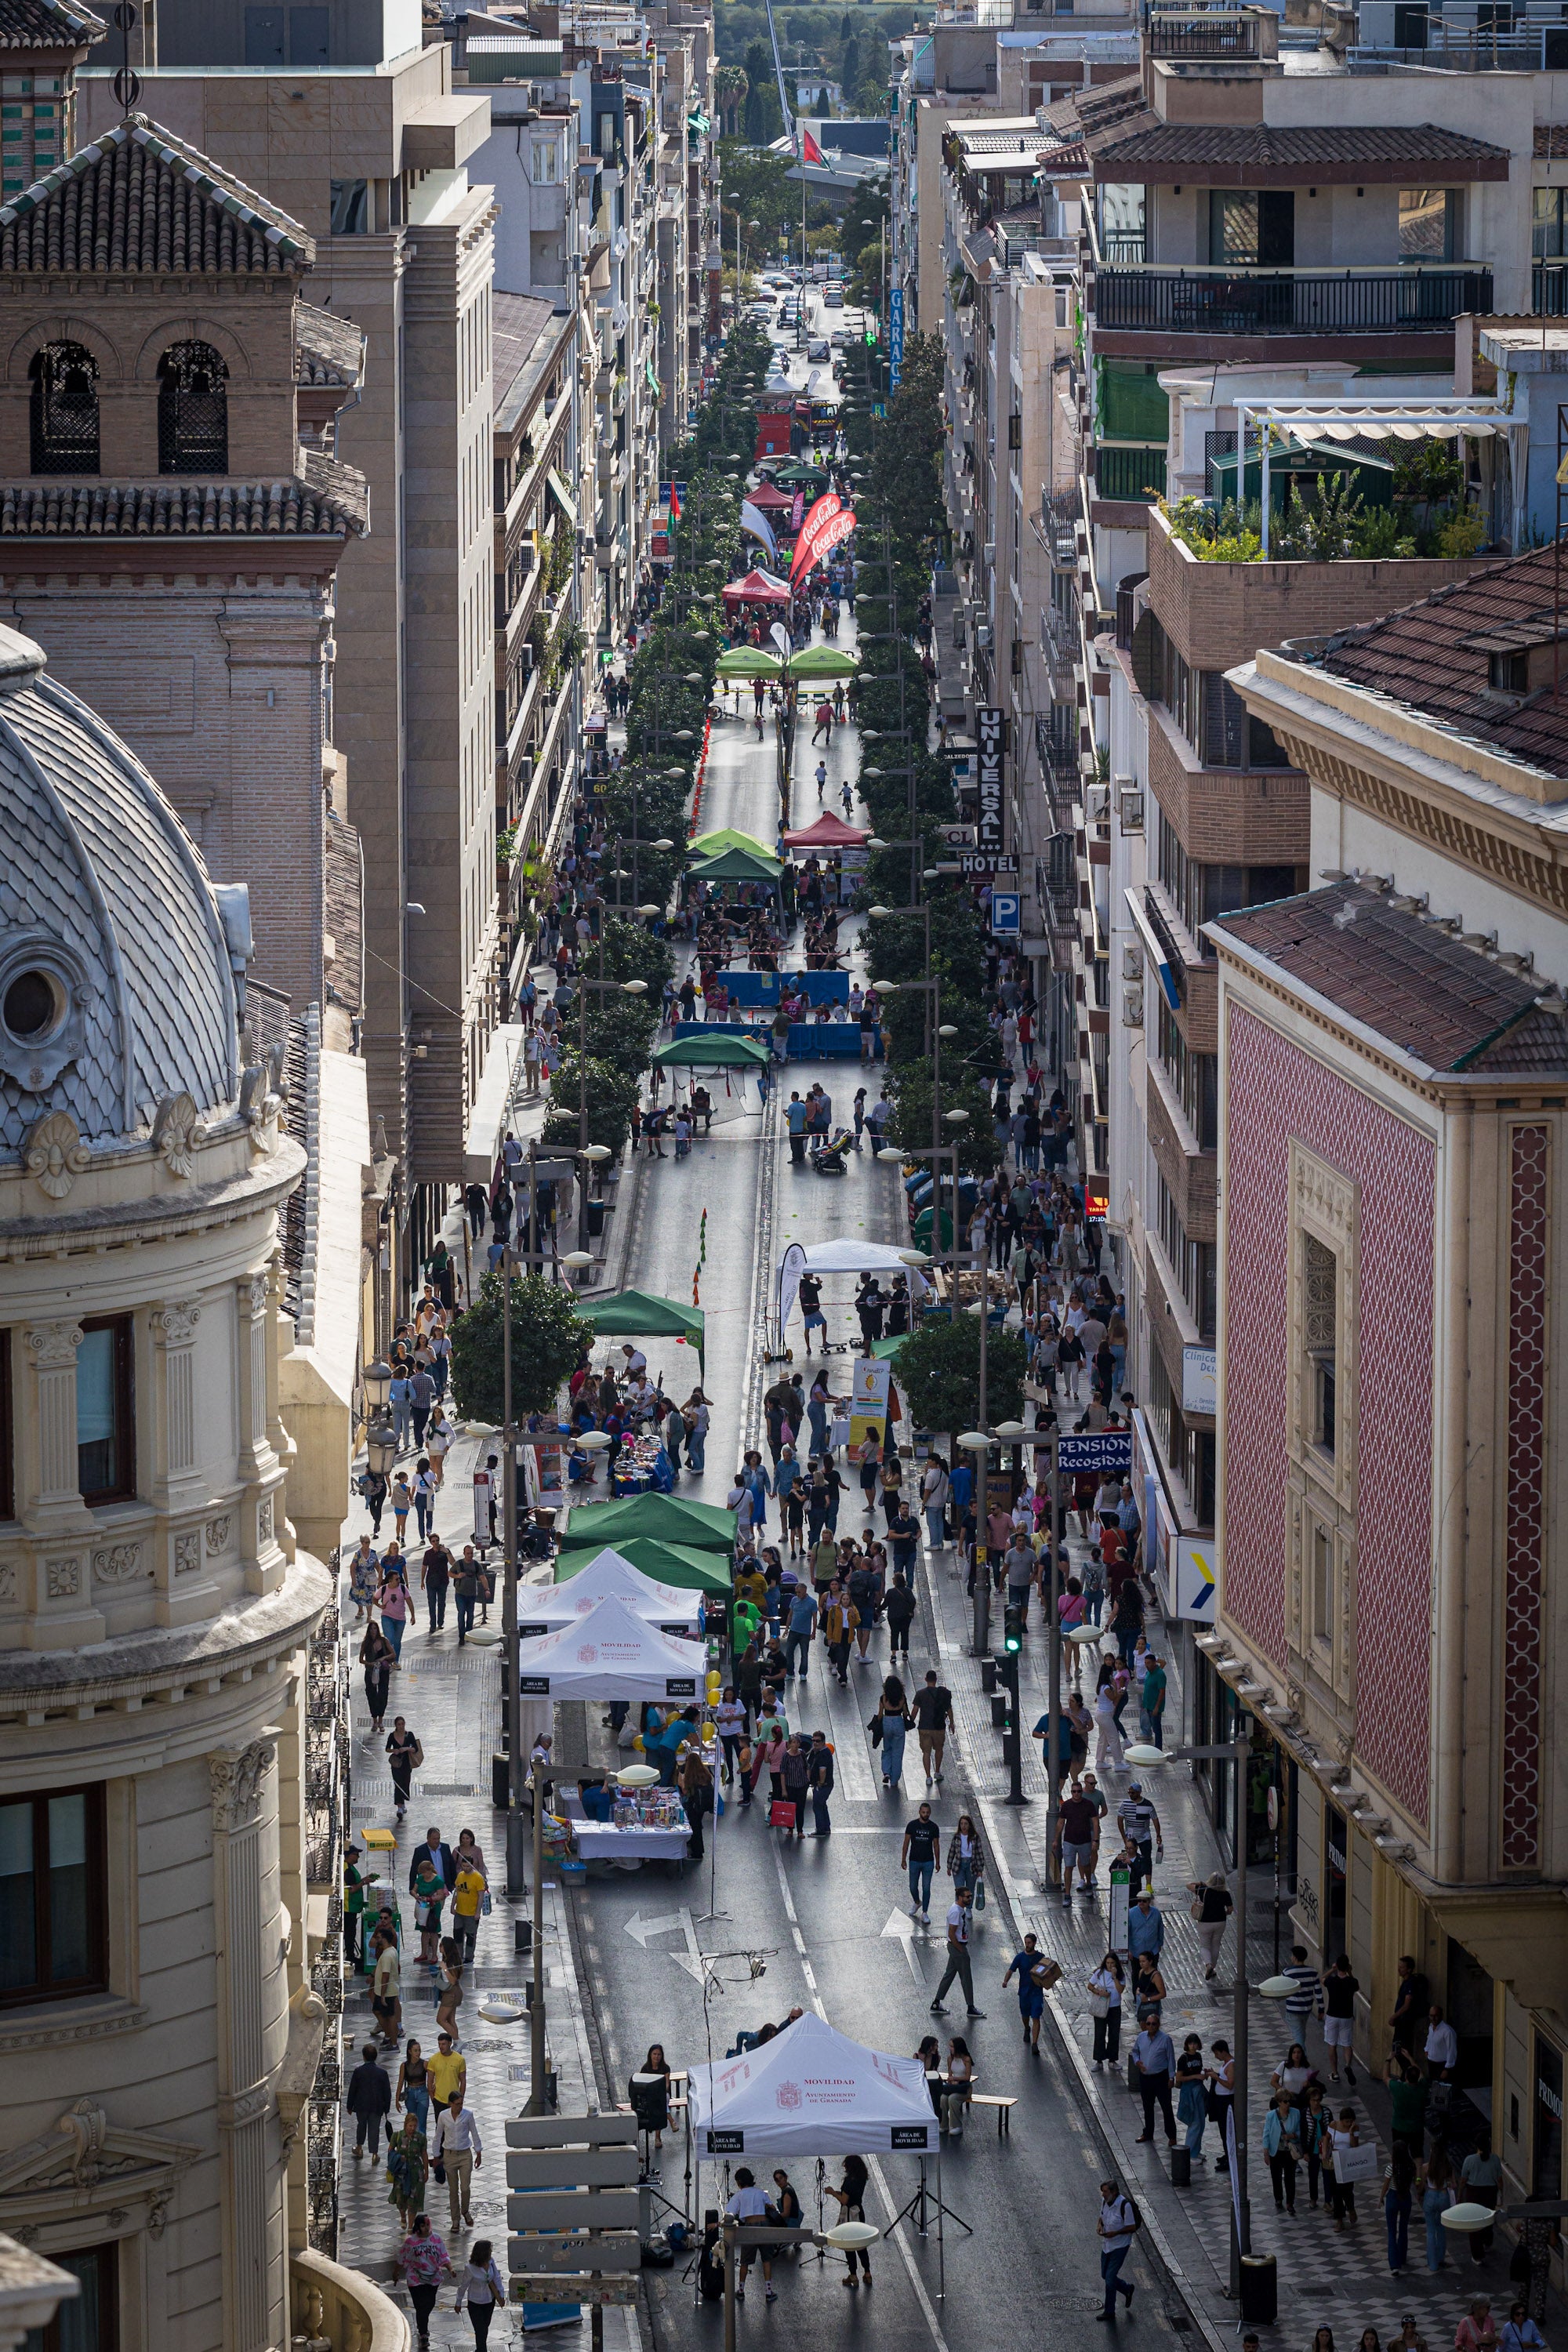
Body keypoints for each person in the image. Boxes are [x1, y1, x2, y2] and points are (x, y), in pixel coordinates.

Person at [396, 2212, 452, 2350]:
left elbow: (444, 2256)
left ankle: (422, 2326)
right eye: (423, 2225)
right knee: (420, 2306)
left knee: (430, 2303)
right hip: (415, 2279)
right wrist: (395, 2272)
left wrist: (450, 2269)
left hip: (433, 2278)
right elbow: (402, 2258)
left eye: (428, 2225)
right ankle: (423, 2334)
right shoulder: (411, 2242)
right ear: (418, 2227)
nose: (426, 2228)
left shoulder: (437, 2239)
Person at [930, 1884, 984, 2017]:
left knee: (949, 1975)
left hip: (957, 1946)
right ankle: (970, 2007)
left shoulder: (960, 1909)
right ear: (960, 1898)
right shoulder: (955, 1911)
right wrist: (960, 1949)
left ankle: (936, 2003)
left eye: (970, 1896)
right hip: (957, 1947)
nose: (970, 1898)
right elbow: (952, 1932)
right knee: (966, 1978)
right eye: (967, 1897)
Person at [432, 2089, 481, 2232]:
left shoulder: (468, 2115)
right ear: (450, 2104)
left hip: (465, 2154)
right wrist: (436, 2156)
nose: (460, 2107)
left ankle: (465, 2211)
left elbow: (474, 2132)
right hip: (450, 2155)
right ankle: (455, 2220)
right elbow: (438, 2135)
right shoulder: (443, 2116)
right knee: (453, 2190)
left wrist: (478, 2152)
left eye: (461, 2104)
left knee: (465, 2187)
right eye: (457, 2104)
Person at [726, 2167, 778, 2304]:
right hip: (764, 2225)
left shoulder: (739, 2195)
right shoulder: (761, 2193)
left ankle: (741, 2290)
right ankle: (768, 2291)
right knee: (766, 2259)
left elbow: (729, 2213)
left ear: (739, 2182)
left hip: (749, 2227)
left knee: (745, 2261)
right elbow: (772, 2208)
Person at [824, 2155, 873, 2287]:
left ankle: (853, 2275)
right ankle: (867, 2273)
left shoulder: (848, 2181)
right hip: (859, 2212)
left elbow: (845, 2200)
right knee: (861, 2244)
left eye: (846, 2164)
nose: (844, 2166)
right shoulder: (861, 2178)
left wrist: (833, 2193)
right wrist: (837, 2192)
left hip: (849, 2215)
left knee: (849, 2245)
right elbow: (851, 2195)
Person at [1095, 2179, 1139, 2323]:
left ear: (1114, 2192)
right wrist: (1100, 2226)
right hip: (1107, 2245)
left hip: (1119, 2246)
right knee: (1105, 2274)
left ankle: (1109, 2311)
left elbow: (1131, 2227)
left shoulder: (1124, 2205)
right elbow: (1102, 2217)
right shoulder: (1105, 2202)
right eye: (1103, 2191)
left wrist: (1116, 2233)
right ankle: (1126, 2289)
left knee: (1109, 2278)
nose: (1103, 2194)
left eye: (1106, 2191)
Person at [1132, 2014, 1178, 2145]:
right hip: (1145, 2078)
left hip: (1161, 2078)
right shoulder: (1141, 2037)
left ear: (1158, 2025)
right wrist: (1137, 2062)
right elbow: (1135, 2052)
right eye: (1148, 2023)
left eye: (1153, 2024)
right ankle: (1148, 2133)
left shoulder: (1165, 2039)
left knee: (1166, 2107)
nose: (1151, 2026)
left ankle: (1171, 2135)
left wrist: (1171, 2077)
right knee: (1147, 2107)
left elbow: (1170, 2058)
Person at [455, 2241, 506, 2352]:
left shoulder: (491, 2262)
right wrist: (458, 2302)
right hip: (475, 2303)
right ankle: (482, 2350)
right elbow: (463, 2286)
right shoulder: (470, 2268)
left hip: (489, 2301)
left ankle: (480, 2349)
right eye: (489, 2251)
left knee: (485, 2327)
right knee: (480, 2329)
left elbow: (496, 2277)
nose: (491, 2252)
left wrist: (501, 2295)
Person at [347, 2041, 392, 2159]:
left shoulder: (358, 2071)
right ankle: (374, 2154)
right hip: (376, 2106)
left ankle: (359, 2147)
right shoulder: (382, 2073)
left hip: (361, 2106)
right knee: (374, 2129)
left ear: (364, 2057)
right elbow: (387, 2092)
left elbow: (353, 2090)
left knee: (361, 2126)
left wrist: (349, 2106)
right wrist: (386, 2108)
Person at [1460, 2135, 1502, 2260]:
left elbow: (1463, 2180)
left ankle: (1477, 2256)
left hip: (1474, 2194)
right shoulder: (1495, 2159)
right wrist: (1501, 2194)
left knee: (1474, 2225)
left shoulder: (1469, 2160)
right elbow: (1500, 2180)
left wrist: (1459, 2196)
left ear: (1476, 2146)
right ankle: (1487, 2241)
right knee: (1488, 2219)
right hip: (1490, 2194)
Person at [1004, 1933, 1048, 2051]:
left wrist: (1048, 1982)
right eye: (1026, 1942)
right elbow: (1011, 1970)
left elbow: (1047, 1972)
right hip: (1024, 1992)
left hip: (1036, 1993)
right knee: (1025, 2015)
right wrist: (1005, 1981)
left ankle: (1034, 2044)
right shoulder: (1019, 1957)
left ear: (1034, 1943)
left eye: (1029, 1943)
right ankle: (1027, 2028)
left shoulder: (1041, 1957)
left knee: (1036, 2016)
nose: (1027, 1945)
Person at [1323, 1951, 1360, 2084]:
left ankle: (1335, 2073)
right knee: (1347, 2044)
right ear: (1348, 1967)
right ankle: (1347, 2066)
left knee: (1332, 2044)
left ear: (1337, 1966)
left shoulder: (1332, 1981)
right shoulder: (1352, 1982)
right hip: (1347, 2017)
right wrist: (1350, 1972)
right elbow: (1357, 1987)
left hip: (1332, 2016)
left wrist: (1332, 1970)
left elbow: (1322, 1979)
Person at [1189, 1873, 1233, 1980]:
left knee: (1204, 1945)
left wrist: (1201, 1883)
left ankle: (1208, 1965)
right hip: (1220, 1922)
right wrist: (1226, 1913)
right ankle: (1212, 1968)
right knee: (1216, 1945)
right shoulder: (1225, 1894)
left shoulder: (1203, 1890)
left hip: (1205, 1922)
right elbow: (1230, 1909)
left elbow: (1188, 1885)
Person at [913, 1668, 954, 1784]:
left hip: (924, 1727)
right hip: (939, 1726)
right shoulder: (942, 1694)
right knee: (939, 1749)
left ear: (926, 1680)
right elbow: (949, 1709)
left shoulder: (920, 1694)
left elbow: (915, 1710)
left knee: (926, 1752)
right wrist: (952, 1723)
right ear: (936, 1680)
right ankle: (937, 1771)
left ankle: (928, 1777)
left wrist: (909, 1722)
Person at [1262, 2091, 1301, 2212]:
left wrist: (1292, 2135)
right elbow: (1266, 2133)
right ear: (1279, 2102)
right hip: (1276, 2151)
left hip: (1290, 2151)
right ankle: (1278, 2198)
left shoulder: (1296, 2113)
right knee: (1276, 2177)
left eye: (1289, 2101)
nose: (1288, 2104)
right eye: (1285, 2102)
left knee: (1290, 2178)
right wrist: (1266, 2151)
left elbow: (1300, 2132)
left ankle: (1290, 2202)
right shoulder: (1271, 2116)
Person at [903, 1799, 941, 1920]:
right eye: (923, 1812)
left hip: (928, 1862)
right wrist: (903, 1859)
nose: (925, 1814)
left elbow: (936, 1845)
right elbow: (906, 1843)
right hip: (914, 1860)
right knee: (913, 1887)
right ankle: (917, 1901)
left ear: (930, 1813)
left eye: (927, 1812)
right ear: (919, 1812)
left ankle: (925, 1912)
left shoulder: (934, 1827)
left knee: (926, 1887)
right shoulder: (912, 1825)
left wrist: (938, 1862)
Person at [1384, 2139, 1417, 2274]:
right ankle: (1402, 2257)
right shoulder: (1411, 2166)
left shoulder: (1391, 2167)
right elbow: (1416, 2181)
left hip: (1392, 2198)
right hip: (1406, 2198)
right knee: (1403, 2228)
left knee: (1392, 2232)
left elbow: (1385, 2185)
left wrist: (1381, 2198)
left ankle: (1394, 2264)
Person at [1089, 1951, 1124, 2067]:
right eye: (1108, 1963)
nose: (1110, 1965)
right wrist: (1098, 1992)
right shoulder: (1099, 1973)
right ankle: (1099, 2060)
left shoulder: (1120, 1975)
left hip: (1115, 2007)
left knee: (1114, 2034)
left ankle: (1112, 2059)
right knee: (1100, 2033)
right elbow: (1090, 1985)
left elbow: (1120, 1990)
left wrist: (1114, 1977)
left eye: (1112, 1963)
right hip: (1101, 2007)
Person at [360, 1621, 394, 1735]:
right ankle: (374, 1720)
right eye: (371, 1629)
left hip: (383, 1672)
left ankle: (380, 1720)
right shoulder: (366, 1643)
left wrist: (383, 1658)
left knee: (383, 1694)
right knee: (371, 1695)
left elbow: (393, 1654)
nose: (373, 1631)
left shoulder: (384, 1641)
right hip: (370, 1672)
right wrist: (370, 1664)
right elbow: (361, 1659)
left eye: (375, 1628)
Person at [1175, 2034, 1207, 2158]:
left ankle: (1196, 2150)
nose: (1193, 2046)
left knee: (1201, 2122)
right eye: (1191, 2044)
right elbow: (1179, 2077)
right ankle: (1190, 2153)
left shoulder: (1198, 2056)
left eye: (1195, 2043)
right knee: (1195, 2122)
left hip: (1198, 2089)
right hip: (1188, 2091)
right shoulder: (1183, 2059)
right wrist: (1195, 2076)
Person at [387, 1716, 422, 1820]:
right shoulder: (392, 1736)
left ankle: (403, 1802)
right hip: (396, 1764)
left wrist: (406, 1748)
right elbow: (387, 1748)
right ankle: (399, 1807)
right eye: (399, 1724)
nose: (401, 1726)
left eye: (402, 1724)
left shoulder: (409, 1735)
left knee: (405, 1782)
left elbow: (415, 1748)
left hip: (407, 1763)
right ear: (396, 1725)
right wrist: (395, 1751)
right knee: (398, 1784)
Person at [397, 2037, 431, 2136]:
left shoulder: (424, 2064)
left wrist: (432, 2085)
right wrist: (397, 2099)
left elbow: (432, 2075)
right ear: (410, 2052)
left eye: (419, 2050)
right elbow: (400, 2082)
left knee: (422, 2121)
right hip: (410, 2092)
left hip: (422, 2092)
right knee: (411, 2120)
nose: (418, 2053)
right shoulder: (404, 2065)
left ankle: (421, 2145)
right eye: (415, 2051)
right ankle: (412, 2143)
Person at [941, 2035, 975, 2136]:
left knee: (952, 2098)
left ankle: (957, 2125)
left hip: (964, 2088)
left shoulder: (966, 2059)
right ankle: (944, 2124)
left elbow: (967, 2077)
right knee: (943, 2098)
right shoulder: (950, 2059)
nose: (950, 2048)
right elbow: (950, 2074)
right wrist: (951, 2081)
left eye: (952, 2046)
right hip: (954, 2086)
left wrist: (955, 2079)